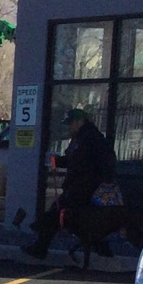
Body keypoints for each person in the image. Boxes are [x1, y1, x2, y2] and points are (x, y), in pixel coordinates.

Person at [24, 106, 117, 259]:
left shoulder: (93, 139)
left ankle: (40, 242)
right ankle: (99, 246)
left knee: (61, 215)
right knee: (66, 217)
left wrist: (96, 184)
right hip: (76, 188)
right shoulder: (78, 138)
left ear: (80, 122)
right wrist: (58, 160)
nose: (68, 127)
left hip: (86, 189)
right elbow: (71, 159)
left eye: (70, 123)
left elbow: (105, 164)